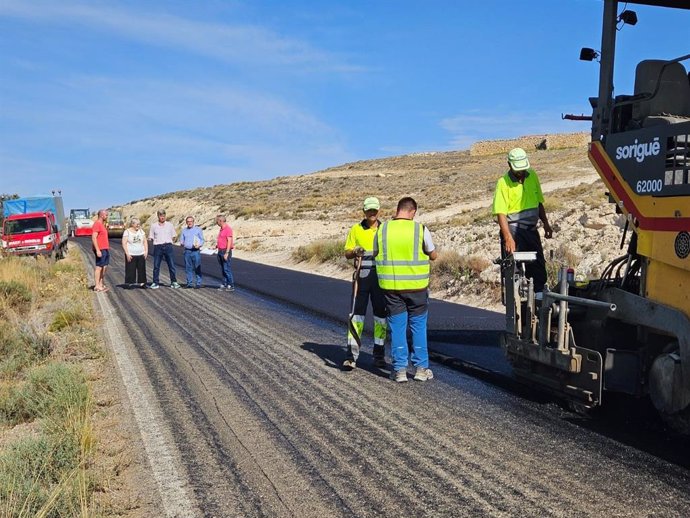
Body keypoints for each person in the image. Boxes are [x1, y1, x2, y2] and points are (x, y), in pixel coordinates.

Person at [374, 197, 437, 383]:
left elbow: (376, 252)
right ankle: (421, 369)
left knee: (398, 328)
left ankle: (399, 370)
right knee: (418, 327)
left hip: (392, 288)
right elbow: (433, 254)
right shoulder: (420, 229)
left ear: (398, 210)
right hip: (417, 288)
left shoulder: (382, 229)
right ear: (413, 212)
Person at [492, 148, 553, 291]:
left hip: (531, 230)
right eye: (518, 170)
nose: (521, 173)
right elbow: (500, 213)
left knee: (538, 269)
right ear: (509, 165)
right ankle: (515, 304)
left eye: (523, 169)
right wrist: (508, 237)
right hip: (513, 230)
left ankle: (538, 301)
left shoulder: (532, 176)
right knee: (513, 271)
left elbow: (539, 203)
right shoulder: (503, 183)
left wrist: (546, 224)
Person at [342, 196, 387, 370]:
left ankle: (379, 355)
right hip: (362, 278)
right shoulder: (356, 229)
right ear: (364, 211)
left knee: (380, 318)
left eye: (375, 210)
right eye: (369, 210)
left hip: (381, 278)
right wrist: (355, 251)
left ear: (379, 210)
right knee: (357, 315)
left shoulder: (385, 230)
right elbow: (347, 252)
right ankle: (351, 356)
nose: (372, 213)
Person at [148, 209, 180, 289]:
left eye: (163, 216)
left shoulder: (170, 225)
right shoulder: (154, 226)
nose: (162, 217)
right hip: (158, 247)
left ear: (165, 216)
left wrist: (169, 242)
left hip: (168, 246)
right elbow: (151, 237)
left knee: (171, 265)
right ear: (158, 216)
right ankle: (155, 282)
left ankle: (174, 282)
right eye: (160, 216)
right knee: (156, 266)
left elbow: (174, 235)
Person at [122, 218, 148, 288]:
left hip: (141, 253)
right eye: (137, 224)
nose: (138, 226)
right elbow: (124, 243)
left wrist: (146, 251)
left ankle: (142, 283)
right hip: (131, 253)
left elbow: (145, 241)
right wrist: (127, 253)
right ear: (132, 224)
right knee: (130, 269)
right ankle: (129, 283)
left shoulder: (141, 231)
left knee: (142, 269)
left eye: (139, 224)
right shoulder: (127, 232)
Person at [179, 215, 204, 288]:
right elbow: (181, 239)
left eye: (191, 221)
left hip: (195, 251)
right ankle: (189, 283)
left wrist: (199, 245)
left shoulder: (198, 229)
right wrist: (182, 243)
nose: (189, 223)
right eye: (188, 221)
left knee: (197, 267)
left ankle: (198, 283)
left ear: (193, 222)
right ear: (186, 222)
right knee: (188, 268)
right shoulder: (184, 230)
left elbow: (202, 240)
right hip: (187, 251)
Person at [91, 209, 110, 292]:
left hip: (105, 248)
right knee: (99, 267)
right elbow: (94, 237)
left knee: (104, 267)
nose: (107, 216)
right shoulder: (97, 224)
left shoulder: (102, 225)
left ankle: (101, 283)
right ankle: (97, 286)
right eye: (106, 215)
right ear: (102, 215)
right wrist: (97, 250)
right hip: (100, 249)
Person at [215, 215, 235, 291]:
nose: (216, 222)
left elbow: (229, 241)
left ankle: (231, 285)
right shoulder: (221, 229)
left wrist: (227, 253)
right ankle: (224, 284)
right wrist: (216, 246)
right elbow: (222, 240)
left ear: (220, 221)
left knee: (227, 269)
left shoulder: (228, 229)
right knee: (223, 268)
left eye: (217, 221)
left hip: (225, 251)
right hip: (220, 250)